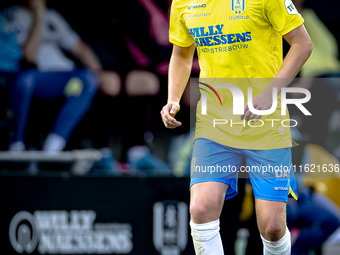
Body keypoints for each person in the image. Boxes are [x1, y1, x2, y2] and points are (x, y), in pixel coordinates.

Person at [161, 0, 312, 254]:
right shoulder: (183, 3)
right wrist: (173, 99)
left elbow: (302, 44)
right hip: (215, 124)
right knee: (200, 209)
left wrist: (269, 94)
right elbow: (181, 53)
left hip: (266, 124)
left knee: (273, 227)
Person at [5, 0, 120, 153]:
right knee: (25, 82)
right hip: (37, 76)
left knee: (89, 80)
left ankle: (54, 144)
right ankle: (16, 143)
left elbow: (79, 48)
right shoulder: (12, 15)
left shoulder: (52, 16)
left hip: (64, 77)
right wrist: (38, 15)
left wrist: (99, 72)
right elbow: (30, 55)